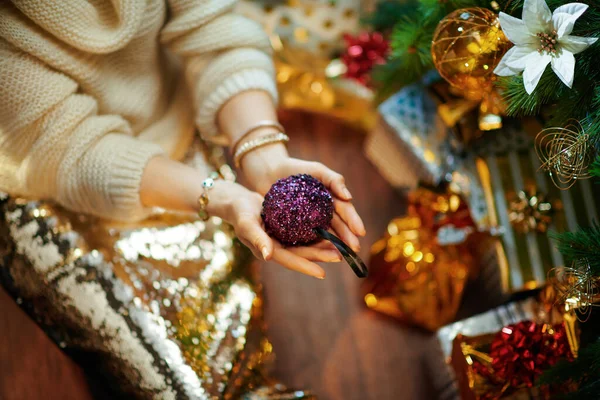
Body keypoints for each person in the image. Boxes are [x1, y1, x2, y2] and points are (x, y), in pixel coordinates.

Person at [0, 0, 366, 280]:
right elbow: (67, 152)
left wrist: (264, 154)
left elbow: (214, 24)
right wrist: (222, 196)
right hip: (62, 187)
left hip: (190, 119)